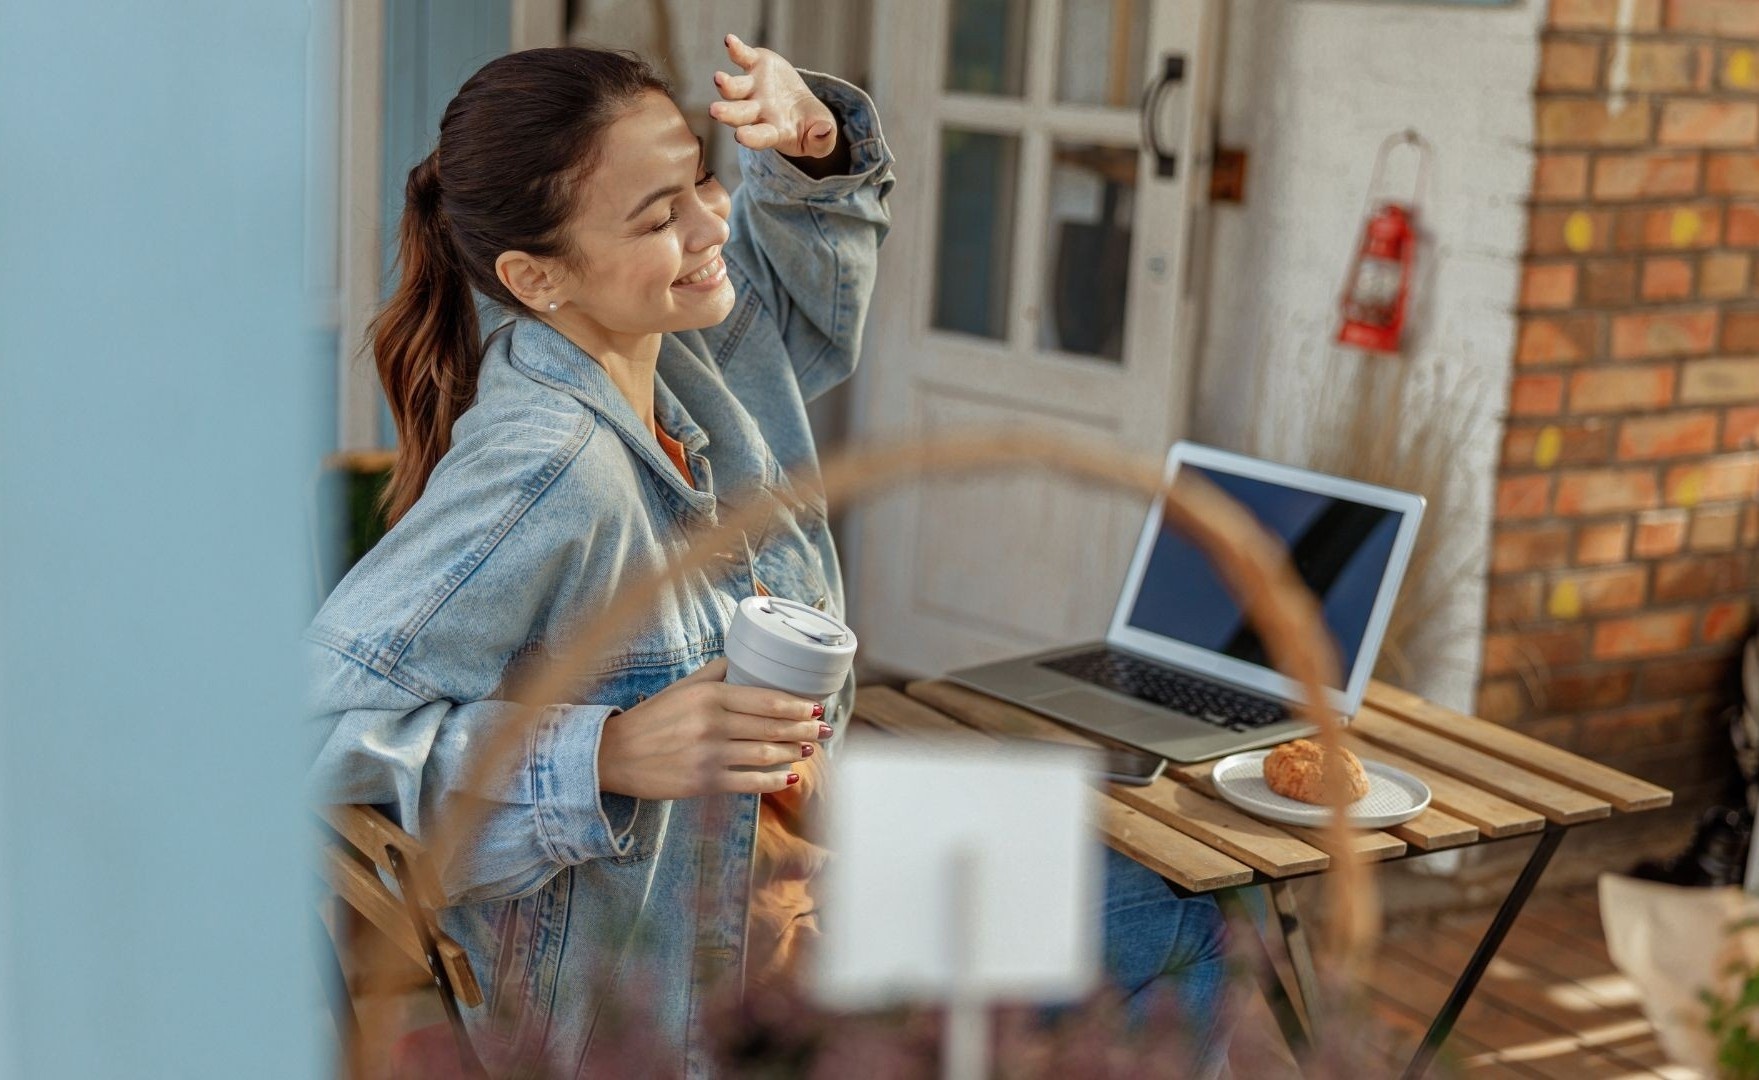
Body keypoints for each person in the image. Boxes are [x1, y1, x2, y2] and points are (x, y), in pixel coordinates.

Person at [305, 36, 1230, 1077]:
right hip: (692, 998)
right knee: (1187, 926)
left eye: (700, 175)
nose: (712, 224)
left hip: (798, 882)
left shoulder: (671, 353)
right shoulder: (550, 468)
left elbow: (794, 309)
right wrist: (600, 754)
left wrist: (813, 147)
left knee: (1163, 884)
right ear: (535, 276)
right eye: (659, 216)